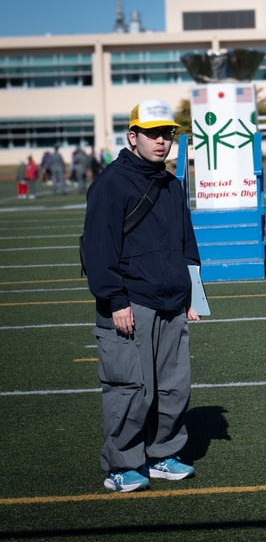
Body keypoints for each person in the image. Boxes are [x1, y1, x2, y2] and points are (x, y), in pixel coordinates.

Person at [82, 99, 201, 493]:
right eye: (152, 133)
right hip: (132, 302)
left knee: (173, 386)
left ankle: (163, 453)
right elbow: (99, 249)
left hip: (172, 302)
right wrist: (115, 299)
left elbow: (187, 244)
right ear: (133, 136)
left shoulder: (173, 184)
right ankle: (123, 463)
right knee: (130, 387)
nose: (161, 141)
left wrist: (193, 297)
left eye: (167, 133)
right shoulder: (111, 183)